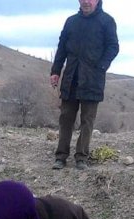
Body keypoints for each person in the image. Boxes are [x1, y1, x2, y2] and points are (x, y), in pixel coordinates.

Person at [49, 0, 119, 171]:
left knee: (87, 120)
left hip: (92, 79)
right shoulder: (71, 21)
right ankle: (61, 157)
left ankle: (81, 158)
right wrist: (55, 71)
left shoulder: (107, 21)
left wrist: (101, 66)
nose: (86, 2)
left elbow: (113, 47)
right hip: (71, 77)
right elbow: (61, 49)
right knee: (66, 118)